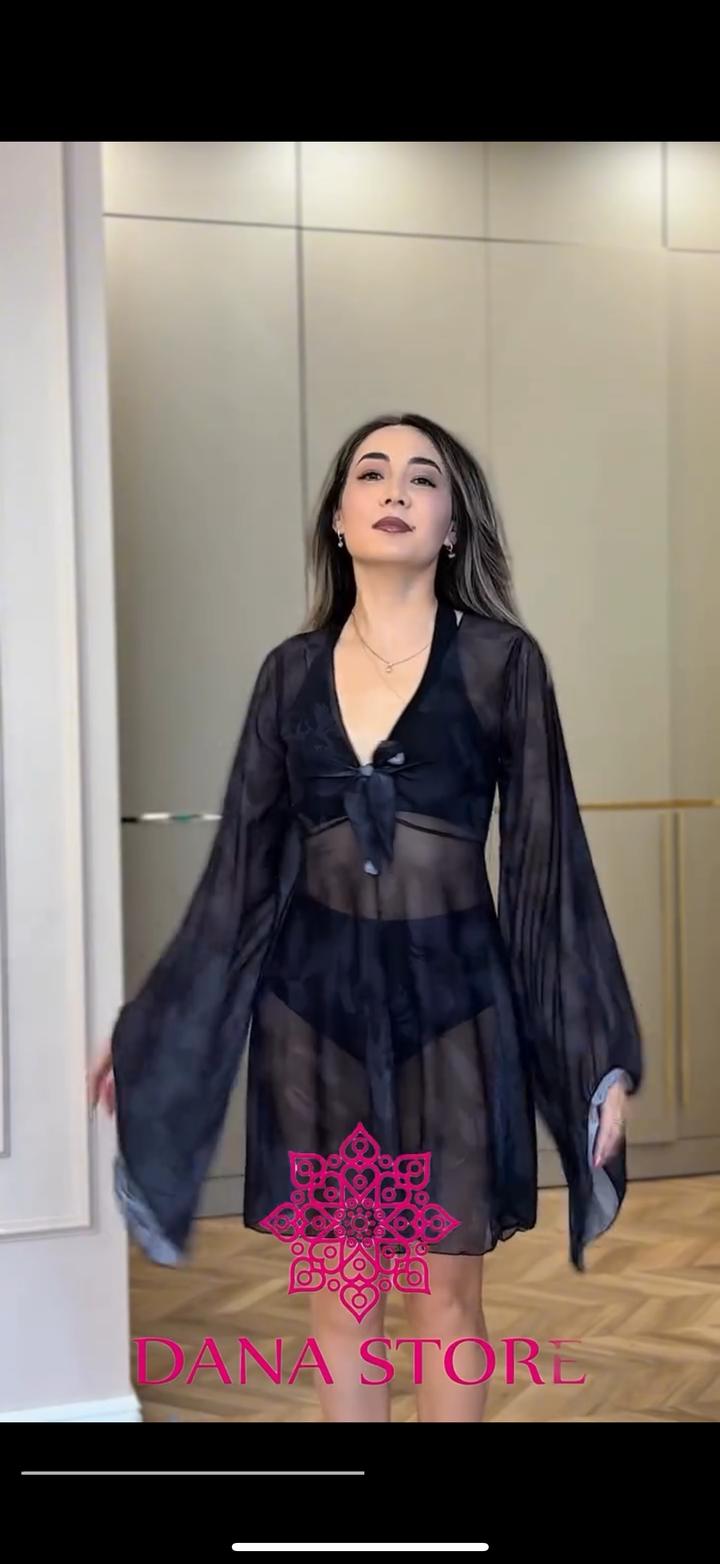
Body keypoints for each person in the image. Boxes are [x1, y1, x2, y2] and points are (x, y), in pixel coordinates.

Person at [88, 412, 643, 1423]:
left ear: (452, 526)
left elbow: (548, 863)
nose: (395, 489)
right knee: (344, 1302)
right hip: (313, 1022)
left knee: (446, 1298)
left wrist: (597, 1050)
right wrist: (154, 1029)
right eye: (372, 473)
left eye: (422, 478)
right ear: (338, 519)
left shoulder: (503, 663)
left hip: (458, 1019)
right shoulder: (288, 673)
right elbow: (240, 873)